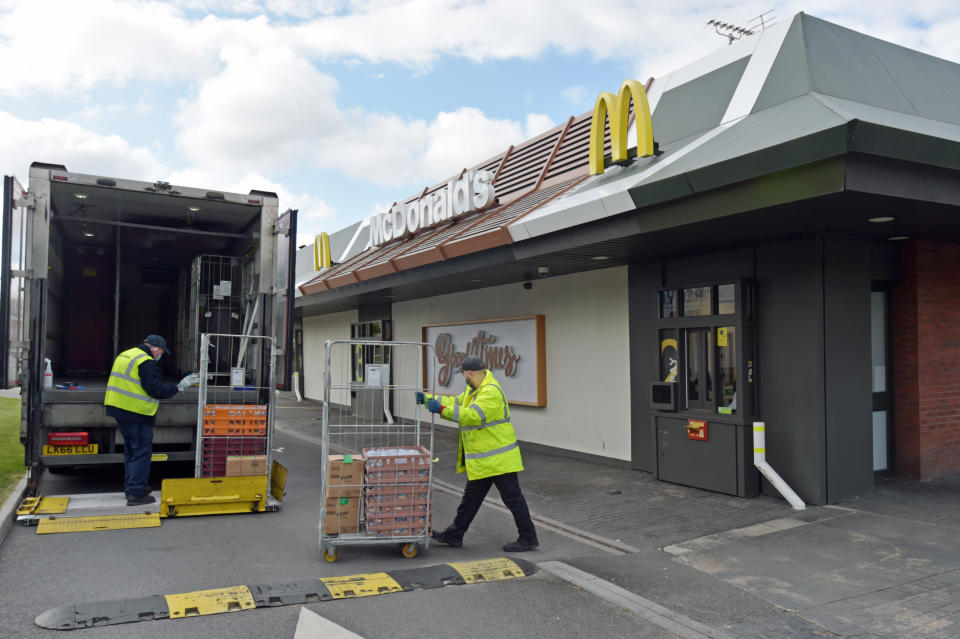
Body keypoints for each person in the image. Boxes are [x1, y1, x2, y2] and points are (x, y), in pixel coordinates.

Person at [416, 356, 539, 552]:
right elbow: (455, 401)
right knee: (470, 500)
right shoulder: (474, 390)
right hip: (486, 461)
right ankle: (454, 535)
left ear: (469, 373)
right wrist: (429, 399)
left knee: (513, 499)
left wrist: (440, 410)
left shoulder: (490, 392)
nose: (463, 378)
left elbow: (472, 416)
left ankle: (528, 538)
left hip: (499, 460)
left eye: (463, 374)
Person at [103, 335, 198, 506]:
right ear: (155, 348)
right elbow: (155, 389)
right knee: (141, 452)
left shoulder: (126, 354)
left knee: (131, 451)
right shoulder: (146, 361)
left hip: (119, 408)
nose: (160, 355)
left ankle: (132, 487)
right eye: (161, 351)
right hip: (136, 412)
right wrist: (179, 387)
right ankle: (136, 493)